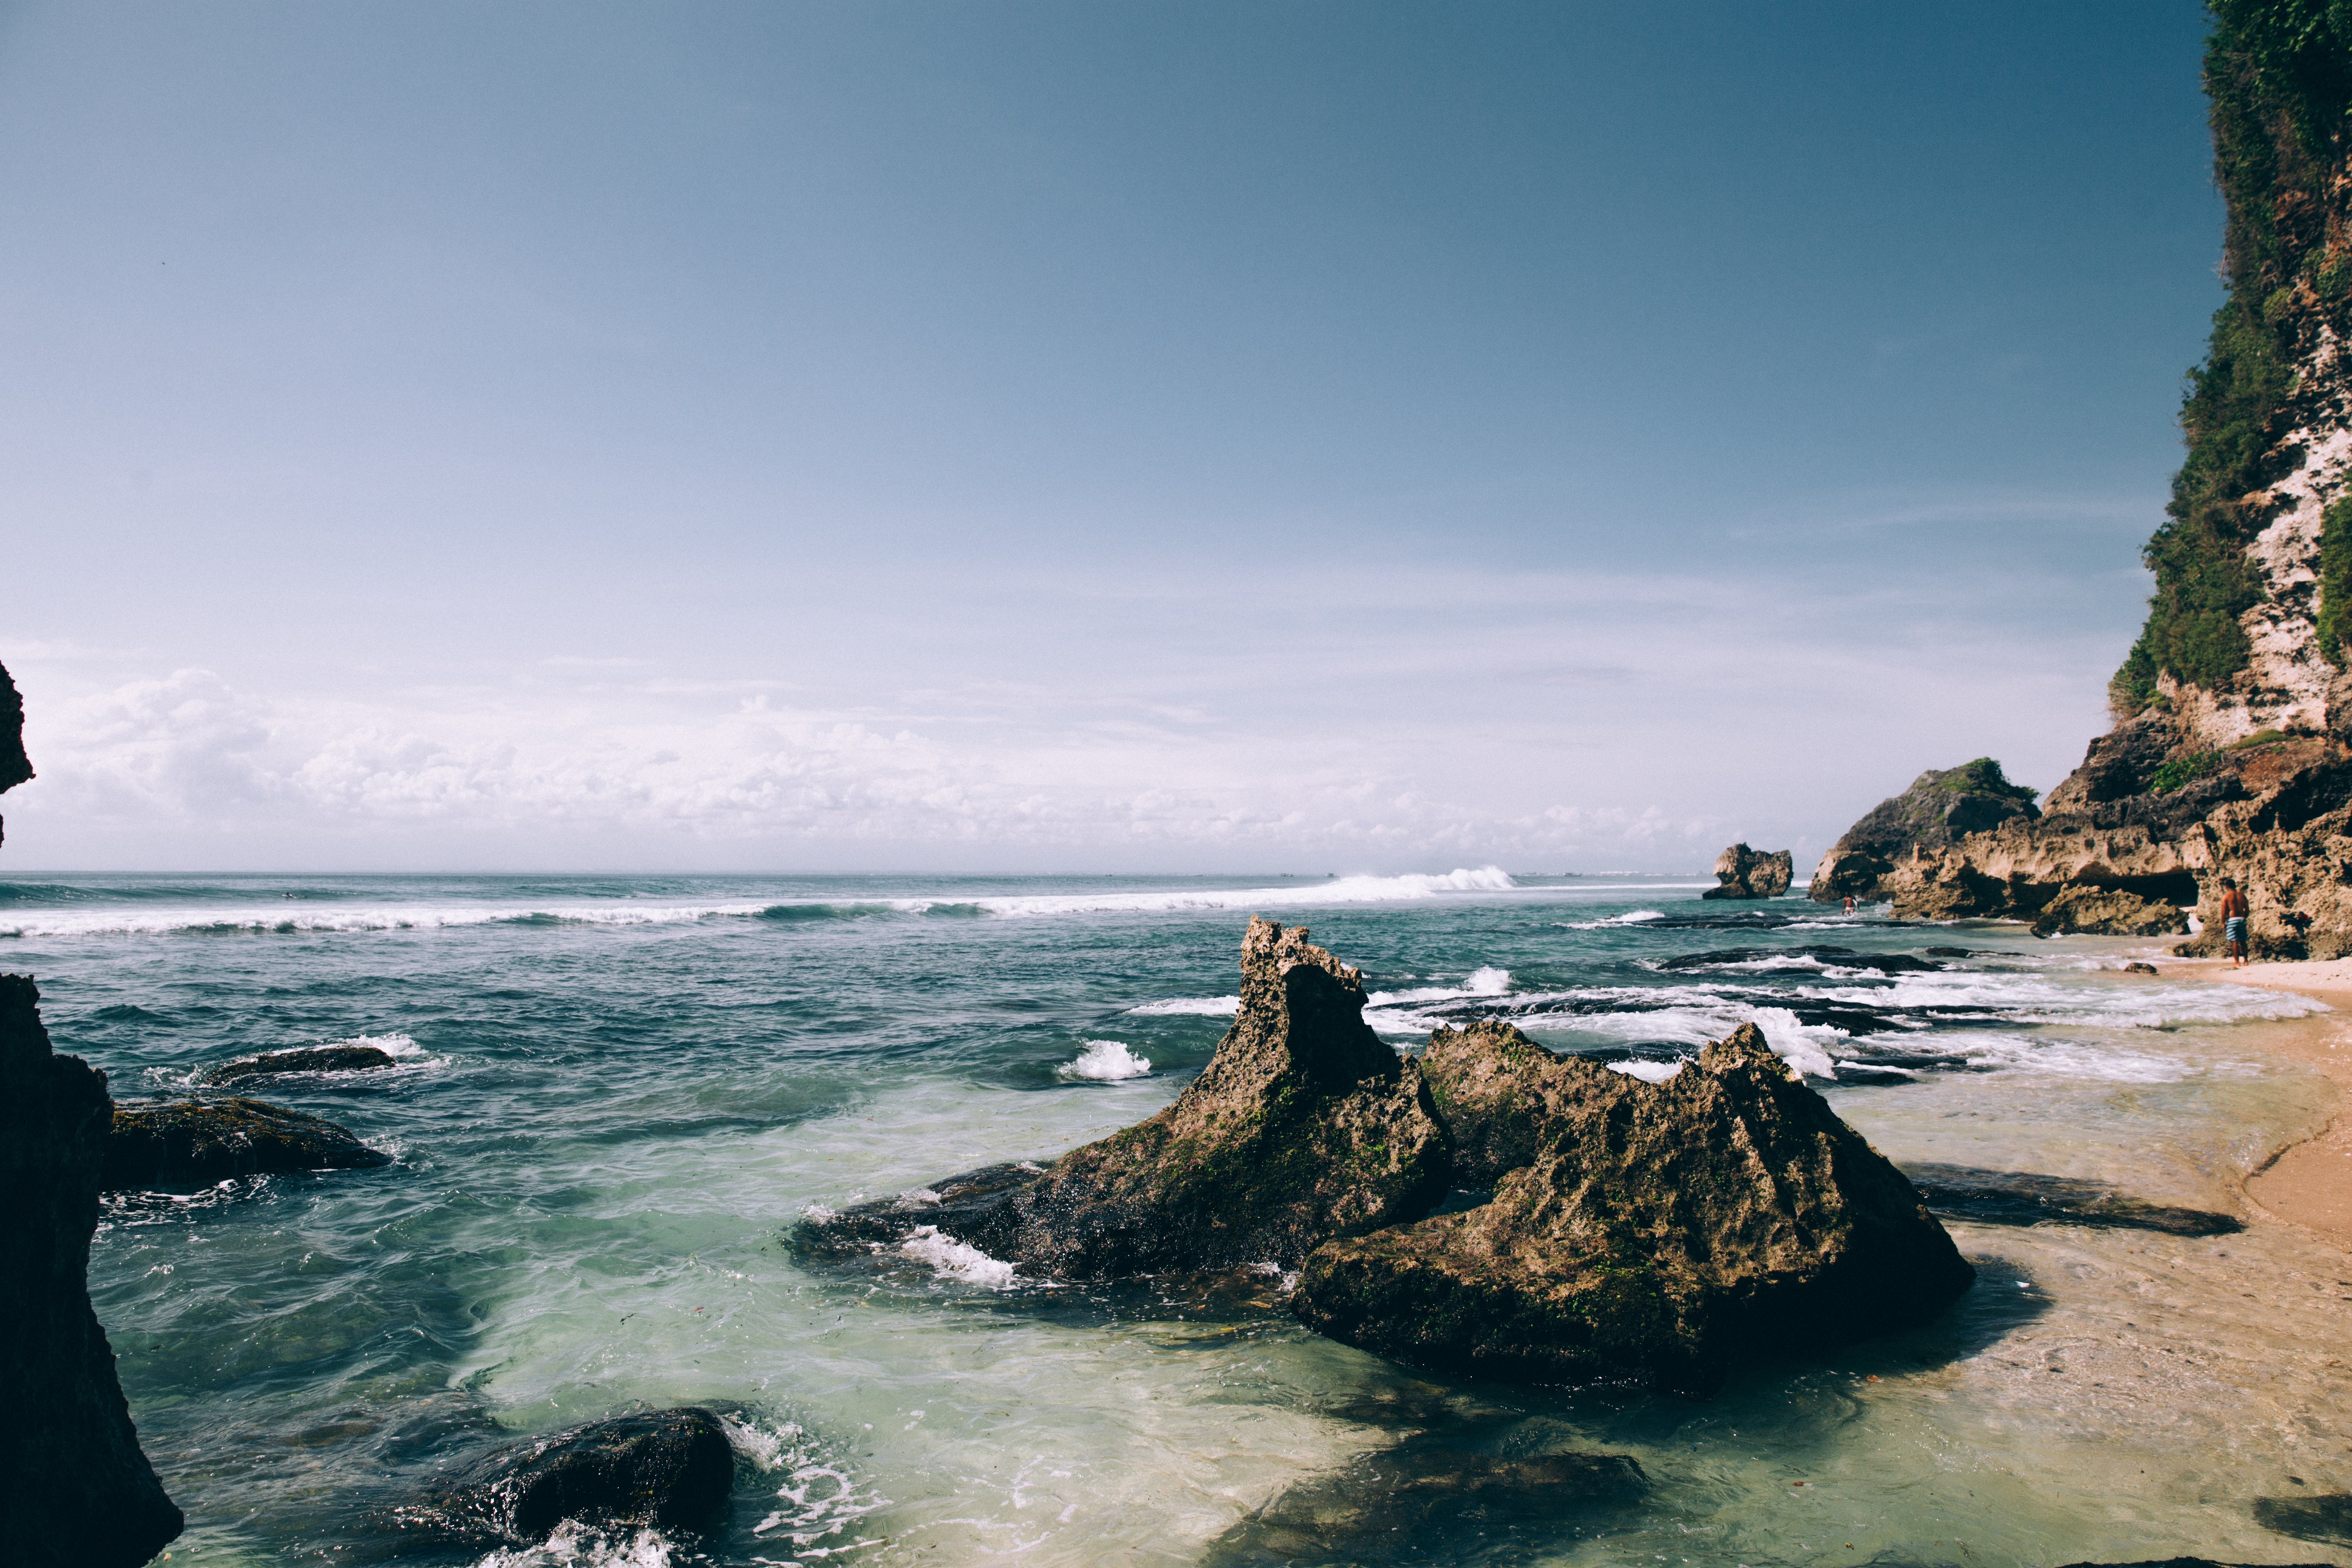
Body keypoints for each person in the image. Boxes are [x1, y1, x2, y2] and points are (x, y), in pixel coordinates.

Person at [2217, 877, 2251, 967]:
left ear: (2227, 886)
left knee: (2235, 941)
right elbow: (2247, 910)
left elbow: (2224, 912)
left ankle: (2237, 962)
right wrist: (2244, 918)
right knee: (2243, 941)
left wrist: (2223, 922)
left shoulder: (2226, 897)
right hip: (2242, 919)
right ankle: (2246, 961)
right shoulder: (2242, 896)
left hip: (2232, 920)